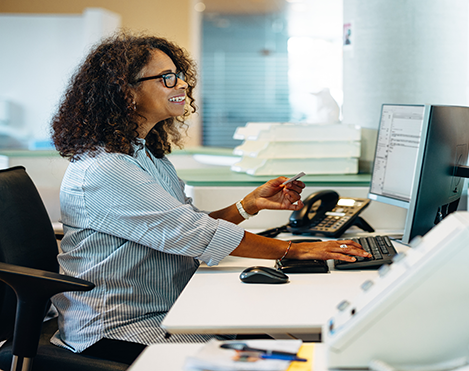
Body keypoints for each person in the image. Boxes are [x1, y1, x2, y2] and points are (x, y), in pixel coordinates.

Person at [48, 32, 371, 364]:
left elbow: (188, 223)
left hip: (169, 309)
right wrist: (297, 250)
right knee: (291, 357)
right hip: (120, 329)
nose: (182, 85)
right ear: (125, 91)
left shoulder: (145, 155)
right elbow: (197, 234)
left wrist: (248, 205)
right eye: (167, 78)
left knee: (289, 348)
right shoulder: (107, 169)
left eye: (180, 76)